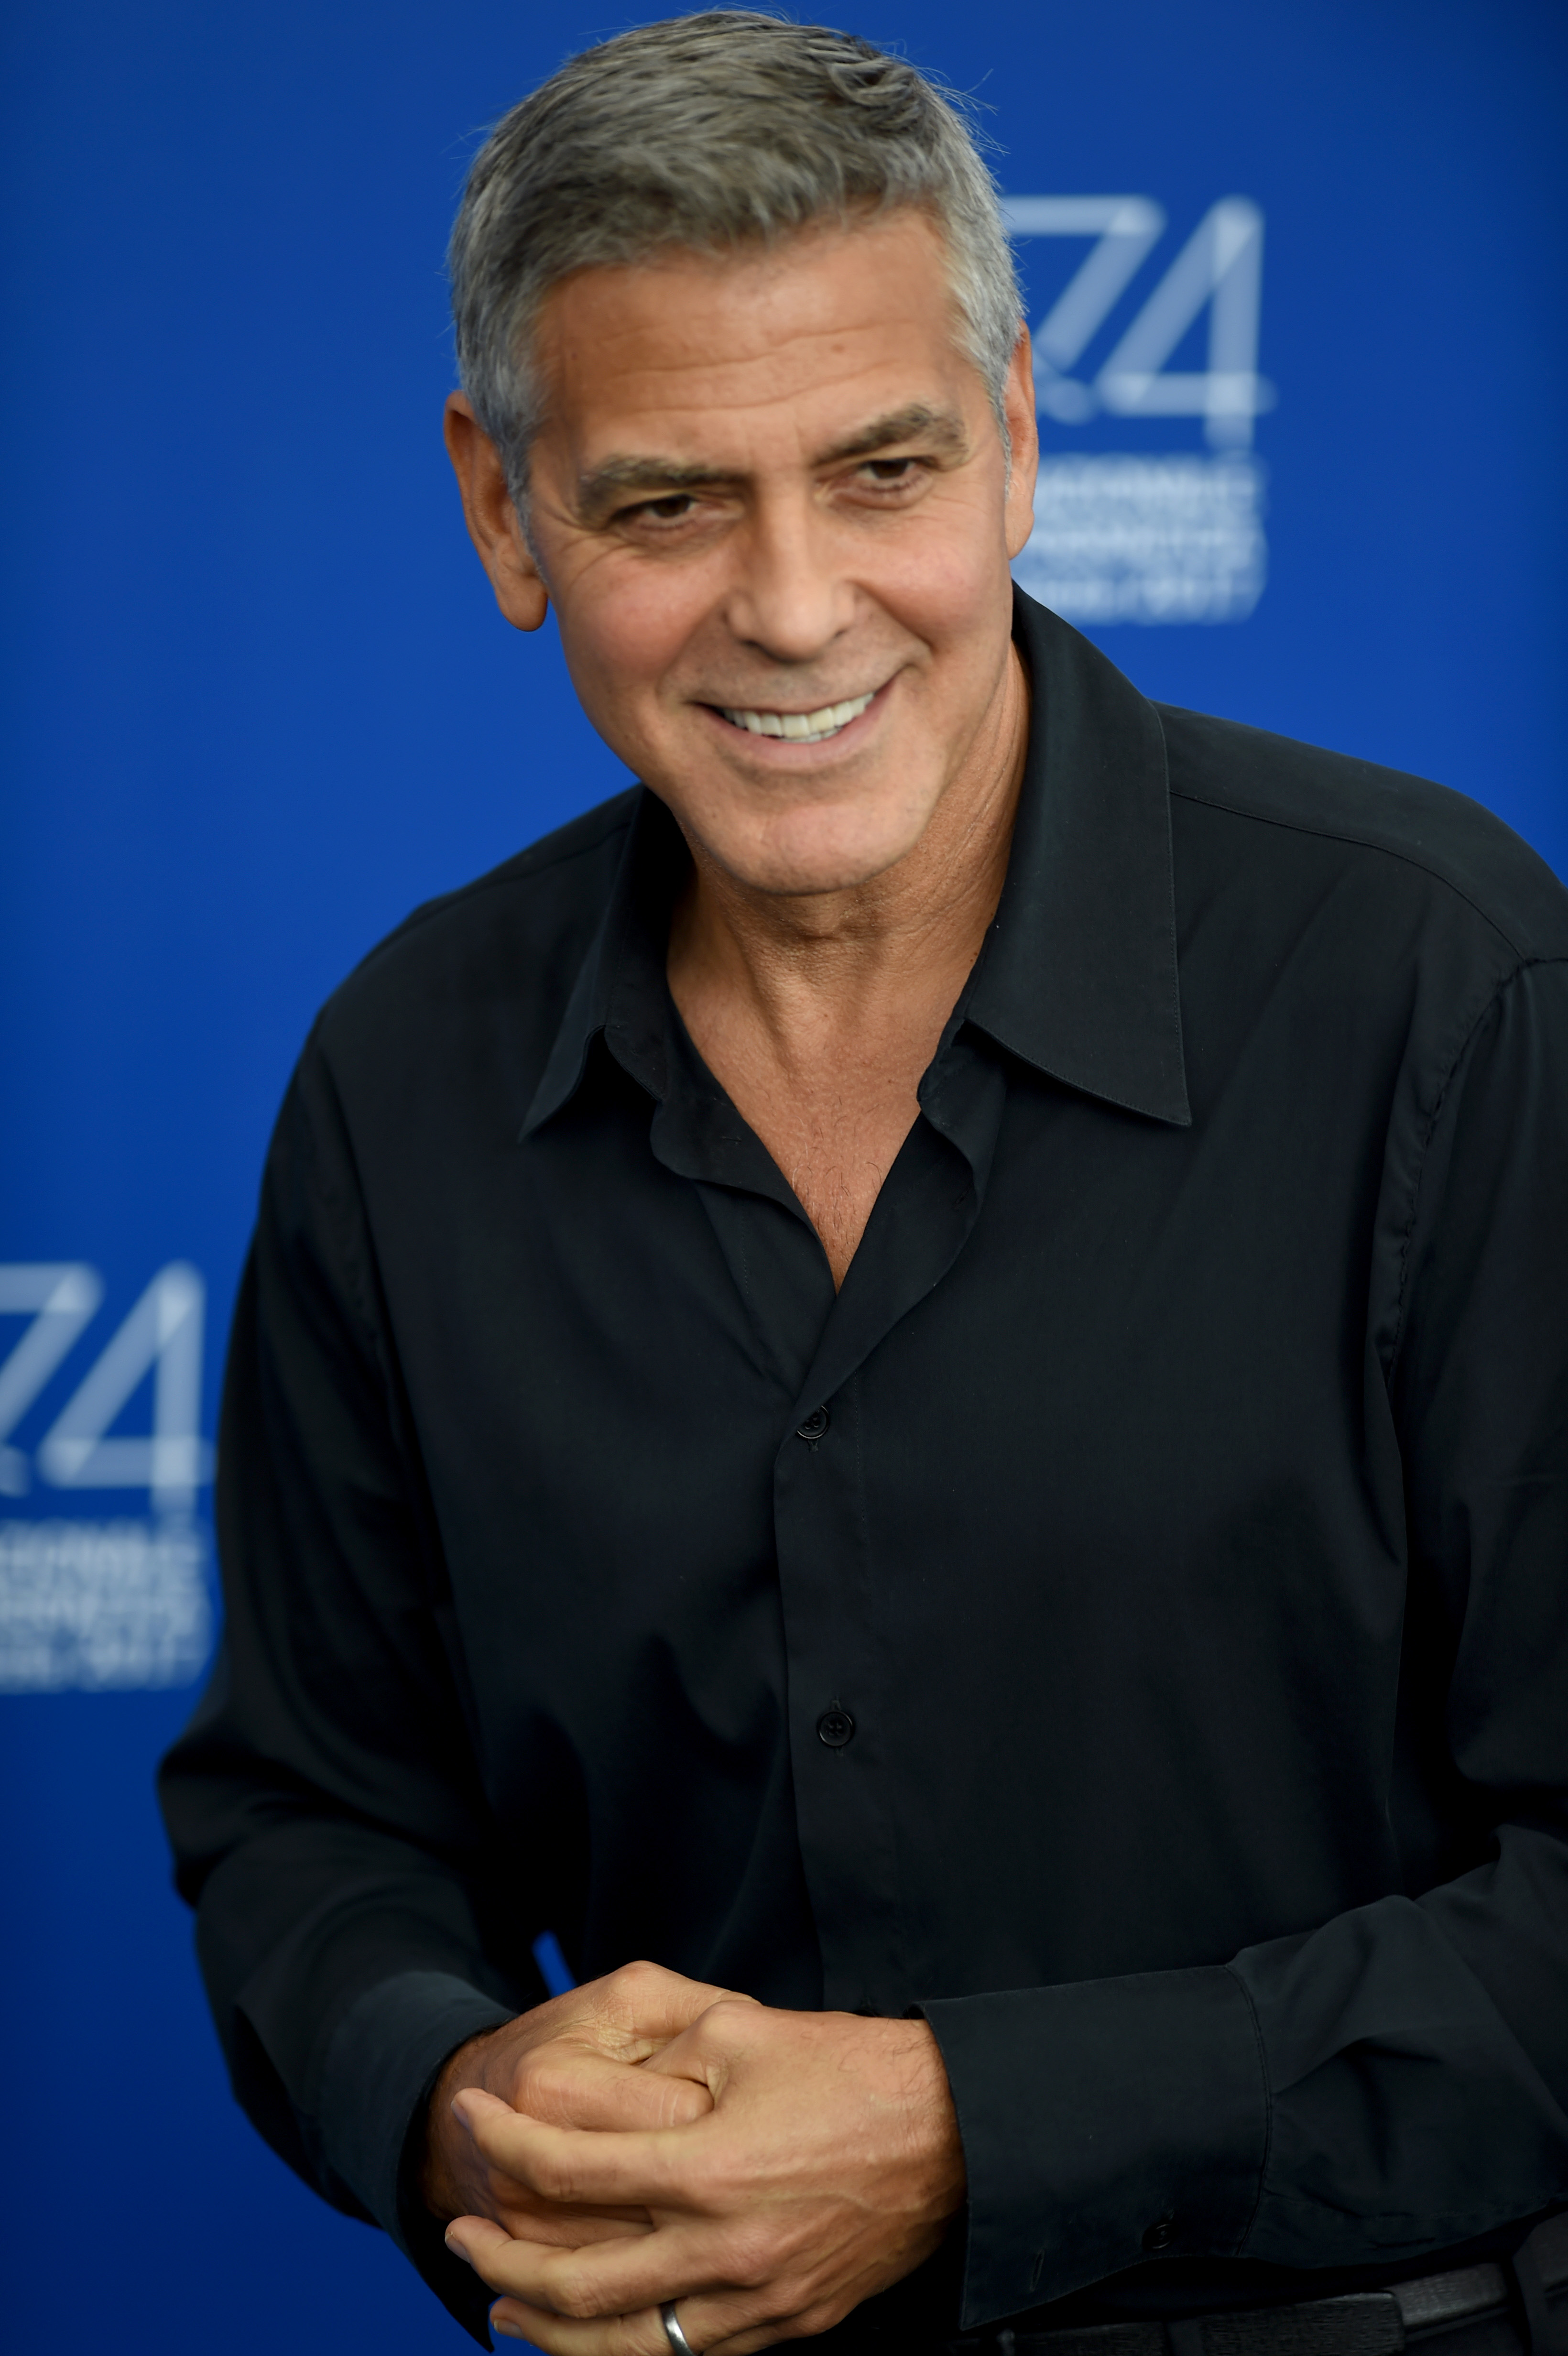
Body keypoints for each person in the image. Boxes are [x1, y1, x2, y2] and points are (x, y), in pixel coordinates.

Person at [158, 14, 1568, 2356]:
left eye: (880, 468)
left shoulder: (1448, 988)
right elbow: (313, 1820)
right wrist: (450, 2092)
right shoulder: (403, 1076)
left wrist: (961, 2129)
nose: (796, 606)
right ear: (504, 511)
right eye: (664, 504)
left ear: (1016, 435)